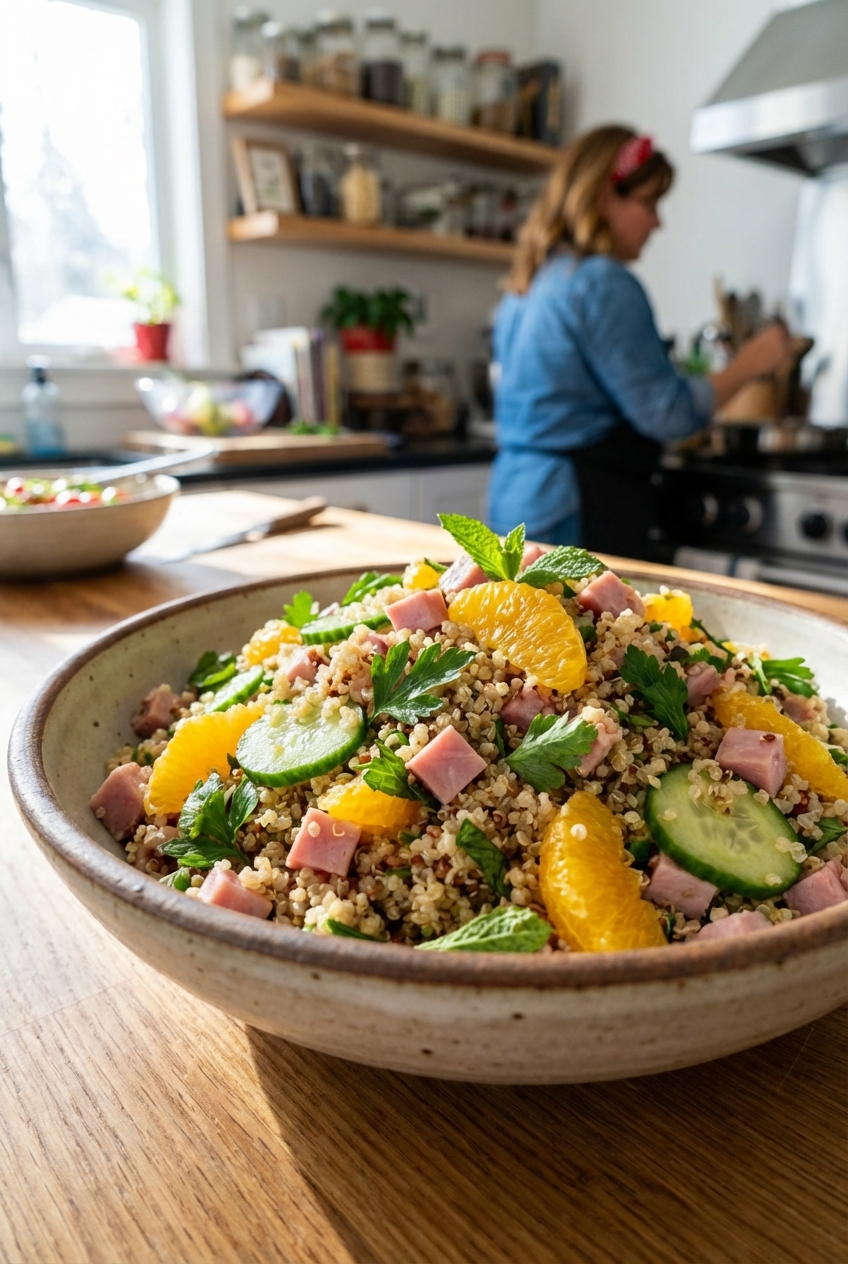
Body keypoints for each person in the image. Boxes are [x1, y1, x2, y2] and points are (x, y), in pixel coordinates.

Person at [487, 125, 792, 553]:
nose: (657, 222)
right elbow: (668, 414)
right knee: (589, 622)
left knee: (519, 621)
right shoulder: (603, 282)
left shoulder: (533, 281)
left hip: (516, 498)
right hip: (573, 506)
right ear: (603, 198)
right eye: (648, 203)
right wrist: (750, 364)